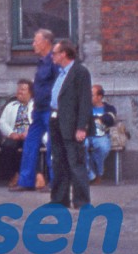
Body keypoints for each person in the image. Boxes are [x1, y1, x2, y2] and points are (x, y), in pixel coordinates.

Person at [48, 38, 93, 209]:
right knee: (58, 162)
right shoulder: (60, 73)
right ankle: (60, 199)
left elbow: (85, 101)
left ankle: (81, 200)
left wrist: (82, 127)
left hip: (72, 124)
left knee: (76, 163)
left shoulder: (80, 72)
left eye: (55, 52)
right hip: (56, 120)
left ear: (64, 54)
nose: (53, 56)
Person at [14, 28, 57, 192]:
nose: (33, 44)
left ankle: (54, 182)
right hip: (39, 109)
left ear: (46, 42)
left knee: (53, 146)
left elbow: (58, 86)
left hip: (49, 109)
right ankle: (26, 181)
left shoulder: (54, 61)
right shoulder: (42, 61)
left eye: (35, 41)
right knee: (30, 144)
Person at [0, 79, 34, 186]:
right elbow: (2, 122)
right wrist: (12, 133)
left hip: (30, 136)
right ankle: (14, 175)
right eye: (18, 89)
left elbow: (38, 122)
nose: (19, 92)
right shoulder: (11, 106)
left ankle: (33, 176)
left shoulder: (36, 105)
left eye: (23, 89)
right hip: (15, 136)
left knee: (31, 145)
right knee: (8, 146)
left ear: (30, 92)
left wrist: (29, 132)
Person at [85, 84, 117, 183]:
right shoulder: (85, 107)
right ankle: (91, 175)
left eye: (91, 95)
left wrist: (100, 118)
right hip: (86, 134)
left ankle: (98, 173)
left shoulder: (109, 108)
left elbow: (111, 120)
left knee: (103, 148)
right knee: (80, 147)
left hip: (101, 135)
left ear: (99, 97)